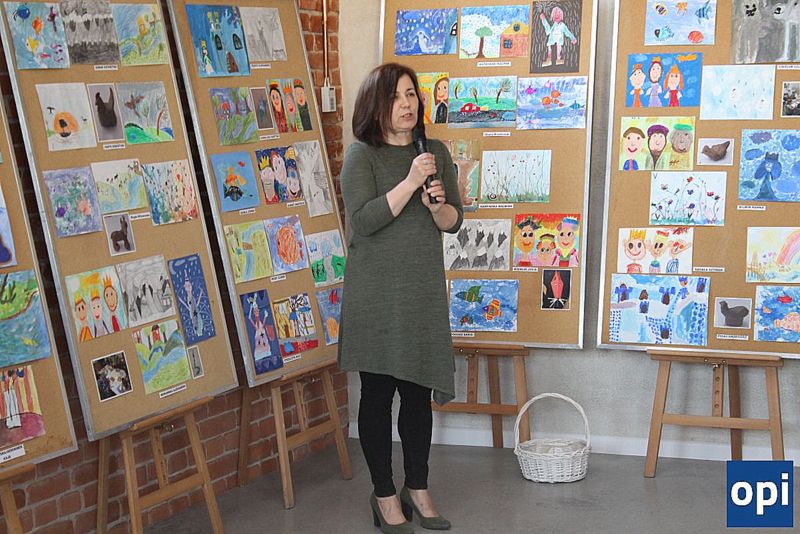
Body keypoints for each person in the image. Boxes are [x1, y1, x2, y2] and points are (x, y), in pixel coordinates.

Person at [339, 62, 462, 533]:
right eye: (395, 97)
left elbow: (453, 221)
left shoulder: (435, 152)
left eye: (411, 94)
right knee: (378, 394)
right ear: (376, 104)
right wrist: (410, 182)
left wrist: (437, 206)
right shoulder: (361, 156)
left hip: (420, 293)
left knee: (417, 393)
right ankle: (384, 495)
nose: (407, 104)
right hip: (375, 295)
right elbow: (363, 222)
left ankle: (419, 488)